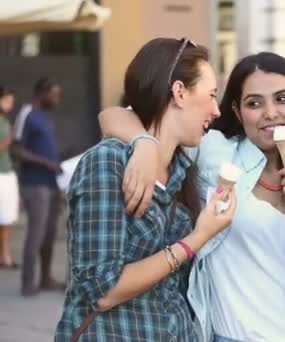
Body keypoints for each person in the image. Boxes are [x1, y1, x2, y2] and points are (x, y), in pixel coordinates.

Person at [98, 52, 285, 342]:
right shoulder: (216, 152)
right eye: (254, 103)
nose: (271, 113)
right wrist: (144, 145)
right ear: (237, 111)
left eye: (282, 99)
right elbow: (113, 115)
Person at [54, 37, 235, 341]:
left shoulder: (183, 167)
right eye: (212, 95)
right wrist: (197, 238)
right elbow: (103, 289)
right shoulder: (107, 163)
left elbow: (113, 115)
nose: (217, 110)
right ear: (179, 92)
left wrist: (145, 143)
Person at [11, 77, 64, 296]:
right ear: (42, 93)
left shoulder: (44, 117)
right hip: (34, 185)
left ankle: (45, 279)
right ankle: (27, 282)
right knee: (37, 233)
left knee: (50, 232)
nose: (57, 99)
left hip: (51, 184)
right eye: (54, 95)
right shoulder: (27, 114)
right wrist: (47, 163)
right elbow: (16, 149)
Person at [0, 86, 19, 269]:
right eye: (7, 100)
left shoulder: (5, 121)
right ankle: (4, 255)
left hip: (7, 172)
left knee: (7, 219)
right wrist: (7, 142)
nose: (10, 104)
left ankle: (5, 254)